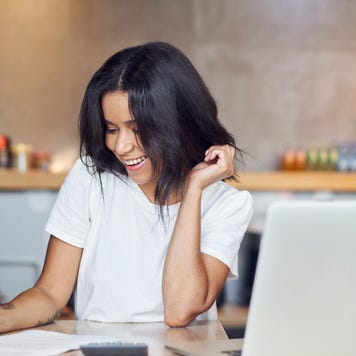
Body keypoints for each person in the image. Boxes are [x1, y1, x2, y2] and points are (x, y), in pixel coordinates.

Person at [0, 41, 252, 331]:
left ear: (179, 122)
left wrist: (194, 188)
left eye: (138, 128)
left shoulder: (226, 203)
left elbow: (180, 311)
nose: (121, 146)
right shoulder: (90, 177)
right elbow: (50, 294)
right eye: (111, 129)